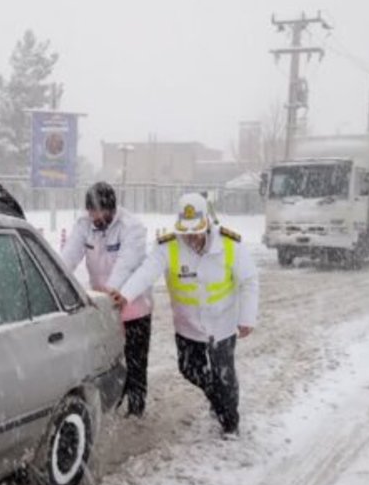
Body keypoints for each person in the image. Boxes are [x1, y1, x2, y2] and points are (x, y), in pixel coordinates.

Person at [112, 193, 258, 437]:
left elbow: (249, 281)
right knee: (190, 370)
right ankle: (217, 398)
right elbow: (146, 272)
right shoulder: (167, 246)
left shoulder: (231, 244)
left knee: (225, 374)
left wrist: (247, 318)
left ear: (207, 224)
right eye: (186, 231)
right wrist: (125, 294)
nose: (191, 237)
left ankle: (230, 424)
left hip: (221, 323)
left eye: (196, 230)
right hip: (187, 326)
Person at [61, 182, 152, 417]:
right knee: (108, 357)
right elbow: (70, 255)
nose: (94, 217)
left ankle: (136, 406)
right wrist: (56, 277)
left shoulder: (132, 227)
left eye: (99, 211)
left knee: (135, 358)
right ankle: (115, 398)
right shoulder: (84, 225)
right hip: (104, 306)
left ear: (111, 209)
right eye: (91, 211)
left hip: (132, 304)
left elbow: (127, 263)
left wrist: (111, 290)